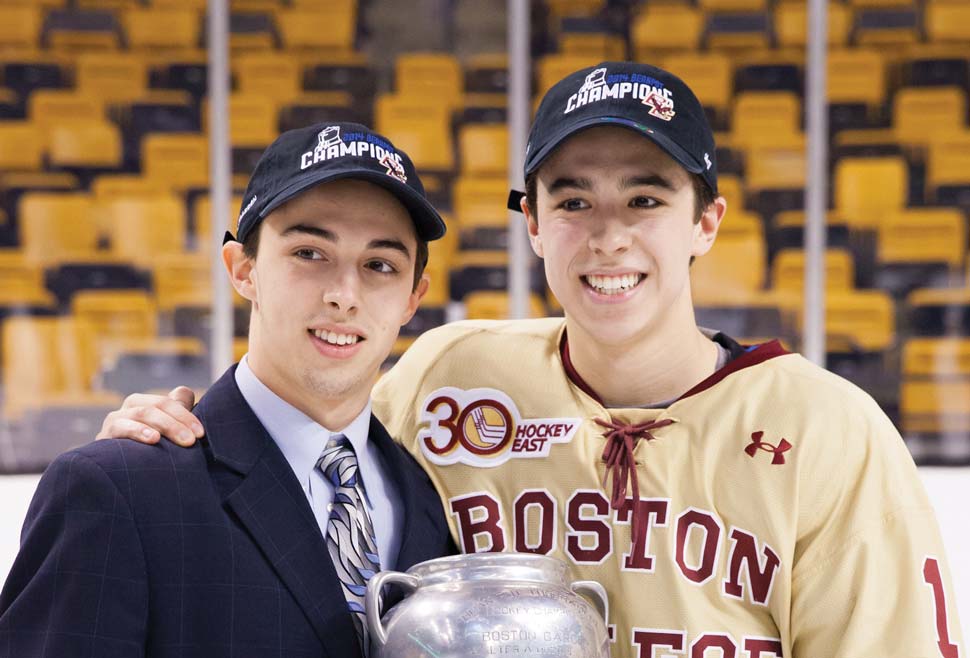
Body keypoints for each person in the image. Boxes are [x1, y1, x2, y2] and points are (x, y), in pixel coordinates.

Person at [90, 63, 964, 658]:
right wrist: (170, 434)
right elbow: (301, 453)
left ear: (707, 221)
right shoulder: (452, 377)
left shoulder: (827, 429)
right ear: (535, 225)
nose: (608, 234)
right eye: (573, 198)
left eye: (647, 197)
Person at [0, 122, 455, 658]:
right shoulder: (117, 489)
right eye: (310, 253)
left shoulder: (434, 498)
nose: (344, 295)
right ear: (243, 269)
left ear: (412, 298)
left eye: (380, 265)